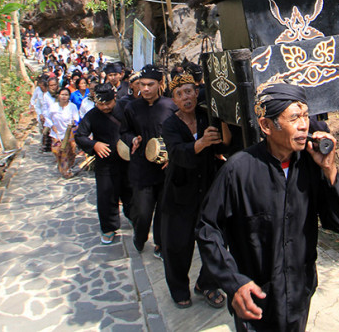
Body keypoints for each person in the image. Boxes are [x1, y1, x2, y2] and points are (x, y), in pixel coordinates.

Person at [197, 82, 339, 332]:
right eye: (294, 117)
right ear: (267, 126)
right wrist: (233, 283)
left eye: (305, 116)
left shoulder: (311, 167)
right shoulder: (238, 170)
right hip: (254, 297)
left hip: (298, 294)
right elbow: (208, 230)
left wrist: (329, 169)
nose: (304, 124)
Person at [160, 73, 230, 309]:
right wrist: (200, 143)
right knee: (178, 245)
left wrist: (221, 123)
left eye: (189, 91)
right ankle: (179, 288)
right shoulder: (170, 124)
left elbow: (222, 144)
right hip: (180, 191)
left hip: (209, 186)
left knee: (216, 240)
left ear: (196, 92)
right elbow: (177, 153)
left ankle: (207, 284)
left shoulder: (205, 116)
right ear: (174, 100)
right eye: (179, 94)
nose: (185, 97)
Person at [121, 64, 178, 256]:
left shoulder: (170, 106)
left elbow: (180, 133)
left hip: (164, 167)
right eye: (142, 84)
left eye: (150, 84)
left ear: (160, 84)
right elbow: (124, 131)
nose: (145, 89)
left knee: (164, 210)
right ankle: (140, 235)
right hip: (141, 167)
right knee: (143, 212)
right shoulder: (131, 107)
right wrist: (132, 139)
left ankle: (160, 245)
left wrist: (173, 156)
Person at [76, 83, 134, 244]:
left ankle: (133, 217)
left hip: (128, 160)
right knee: (106, 195)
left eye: (108, 103)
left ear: (114, 98)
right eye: (100, 104)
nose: (105, 107)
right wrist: (94, 144)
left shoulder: (125, 109)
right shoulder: (92, 116)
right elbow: (80, 136)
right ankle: (108, 227)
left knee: (131, 192)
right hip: (105, 162)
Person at [48, 86, 80, 178]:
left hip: (68, 133)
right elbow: (47, 117)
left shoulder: (72, 106)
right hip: (56, 133)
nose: (64, 97)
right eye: (62, 94)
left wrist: (74, 123)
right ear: (58, 95)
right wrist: (51, 125)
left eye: (66, 95)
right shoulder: (53, 107)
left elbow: (76, 118)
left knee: (69, 152)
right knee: (56, 151)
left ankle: (66, 169)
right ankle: (62, 166)